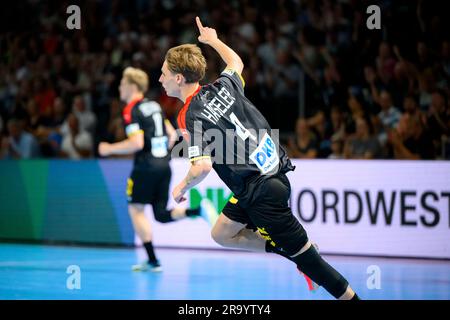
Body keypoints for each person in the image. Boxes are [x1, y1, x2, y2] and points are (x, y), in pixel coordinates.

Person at [158, 17, 359, 300]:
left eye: (164, 73)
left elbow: (202, 166)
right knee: (221, 233)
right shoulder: (222, 86)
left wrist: (181, 188)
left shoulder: (190, 115)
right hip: (263, 181)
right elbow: (237, 63)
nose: (160, 79)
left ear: (179, 78)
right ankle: (285, 249)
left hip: (261, 192)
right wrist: (214, 41)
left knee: (312, 264)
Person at [98, 67, 217, 272]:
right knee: (160, 214)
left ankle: (153, 260)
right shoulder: (154, 105)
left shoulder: (131, 109)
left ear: (132, 86)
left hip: (145, 167)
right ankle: (197, 210)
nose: (119, 88)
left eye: (122, 84)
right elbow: (171, 134)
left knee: (136, 209)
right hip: (164, 165)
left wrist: (108, 149)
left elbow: (136, 143)